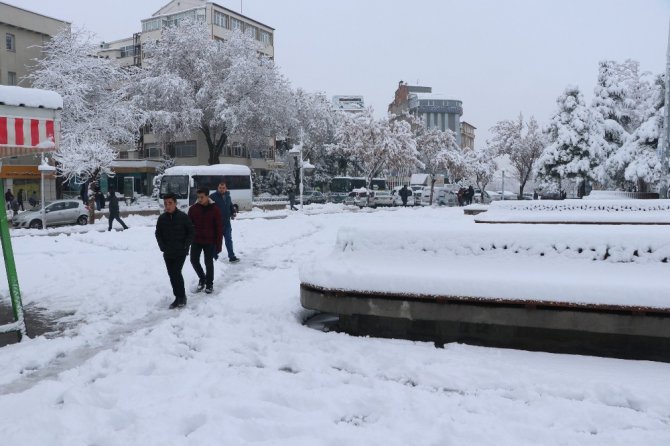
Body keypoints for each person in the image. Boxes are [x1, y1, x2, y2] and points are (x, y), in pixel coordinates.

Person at [155, 193, 194, 309]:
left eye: (170, 203)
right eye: (165, 204)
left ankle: (182, 297)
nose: (167, 206)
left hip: (180, 252)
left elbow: (191, 232)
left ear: (175, 203)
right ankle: (177, 297)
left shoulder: (183, 217)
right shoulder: (162, 219)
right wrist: (162, 247)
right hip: (168, 252)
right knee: (172, 275)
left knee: (176, 273)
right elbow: (158, 234)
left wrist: (185, 245)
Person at [188, 188, 223, 294]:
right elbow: (188, 226)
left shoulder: (215, 209)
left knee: (208, 263)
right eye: (198, 197)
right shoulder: (193, 209)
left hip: (209, 241)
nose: (199, 199)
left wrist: (218, 245)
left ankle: (209, 284)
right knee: (193, 260)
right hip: (196, 240)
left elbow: (219, 228)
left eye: (202, 197)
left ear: (208, 196)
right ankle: (202, 278)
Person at [210, 180, 240, 263]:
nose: (221, 189)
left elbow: (230, 205)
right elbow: (208, 208)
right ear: (217, 188)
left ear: (226, 188)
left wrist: (233, 212)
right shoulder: (212, 197)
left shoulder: (228, 196)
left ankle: (232, 256)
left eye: (223, 188)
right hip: (217, 224)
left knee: (228, 240)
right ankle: (214, 257)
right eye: (220, 188)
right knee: (217, 241)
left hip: (227, 223)